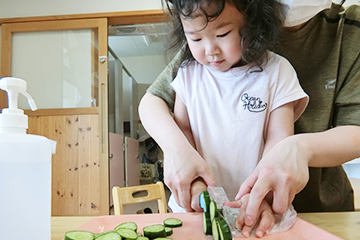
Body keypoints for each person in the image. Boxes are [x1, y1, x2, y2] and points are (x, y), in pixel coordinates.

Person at [139, 0, 360, 231]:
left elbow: (278, 141)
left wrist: (261, 195)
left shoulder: (277, 71)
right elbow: (182, 129)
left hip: (262, 210)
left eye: (223, 34)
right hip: (196, 214)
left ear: (252, 26)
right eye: (195, 39)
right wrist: (193, 184)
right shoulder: (188, 72)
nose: (210, 50)